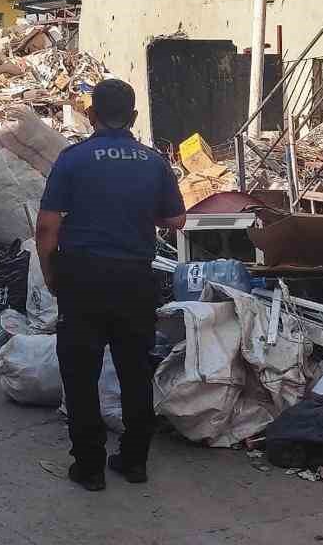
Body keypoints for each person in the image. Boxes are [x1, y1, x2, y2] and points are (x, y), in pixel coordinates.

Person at [36, 79, 186, 492]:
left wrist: (52, 274)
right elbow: (176, 221)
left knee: (80, 375)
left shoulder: (73, 159)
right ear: (134, 118)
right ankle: (134, 461)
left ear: (91, 115)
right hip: (134, 280)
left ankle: (89, 468)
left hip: (81, 279)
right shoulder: (154, 162)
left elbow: (47, 224)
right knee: (135, 372)